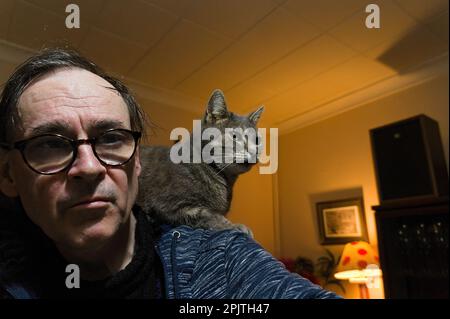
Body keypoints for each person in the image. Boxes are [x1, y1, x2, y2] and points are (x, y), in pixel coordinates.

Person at [0, 49, 341, 299]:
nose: (89, 167)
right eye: (51, 144)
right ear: (8, 174)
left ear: (137, 163)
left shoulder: (220, 260)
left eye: (112, 138)